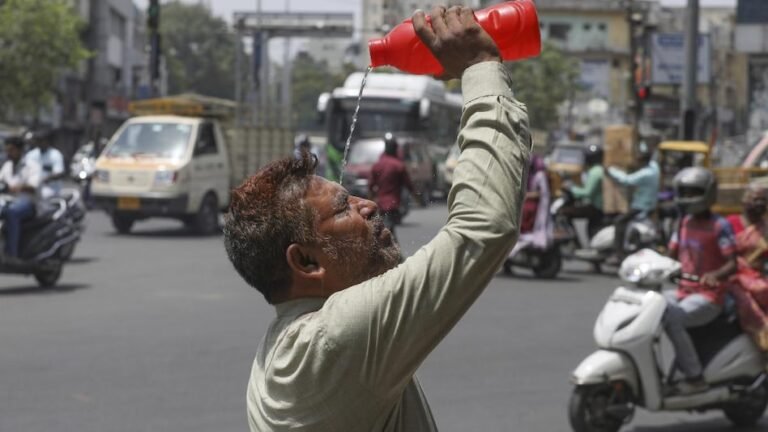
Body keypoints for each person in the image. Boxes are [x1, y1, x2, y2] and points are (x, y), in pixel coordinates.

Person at [223, 6, 531, 430]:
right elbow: (483, 226)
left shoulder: (287, 345)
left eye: (354, 197)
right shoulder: (337, 338)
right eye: (342, 209)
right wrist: (479, 67)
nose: (367, 206)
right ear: (307, 262)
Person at [665, 167, 737, 394]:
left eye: (692, 192)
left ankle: (695, 377)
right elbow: (672, 254)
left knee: (672, 319)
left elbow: (732, 262)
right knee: (649, 306)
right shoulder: (683, 222)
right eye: (684, 192)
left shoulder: (719, 226)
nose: (687, 197)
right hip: (683, 291)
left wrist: (715, 275)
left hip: (709, 297)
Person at [726, 185, 768, 349]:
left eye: (761, 200)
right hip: (735, 275)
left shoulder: (765, 228)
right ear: (744, 201)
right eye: (753, 198)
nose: (756, 203)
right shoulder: (730, 223)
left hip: (758, 276)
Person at [605, 140, 660, 263]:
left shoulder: (646, 173)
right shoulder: (654, 168)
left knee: (619, 222)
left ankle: (618, 253)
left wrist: (611, 170)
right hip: (648, 205)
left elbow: (626, 180)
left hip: (641, 206)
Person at [368, 132, 420, 241]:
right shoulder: (399, 166)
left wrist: (371, 201)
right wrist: (417, 198)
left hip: (380, 204)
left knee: (385, 230)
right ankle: (394, 255)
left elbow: (371, 186)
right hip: (393, 204)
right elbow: (409, 185)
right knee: (388, 231)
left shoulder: (378, 165)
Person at [0, 136, 41, 260]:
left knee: (11, 213)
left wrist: (17, 187)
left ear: (19, 150)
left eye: (11, 150)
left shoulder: (32, 165)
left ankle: (12, 254)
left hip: (27, 202)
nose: (8, 153)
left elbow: (33, 186)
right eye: (7, 150)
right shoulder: (7, 166)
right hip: (7, 200)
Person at [561, 144, 604, 239]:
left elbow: (587, 192)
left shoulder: (595, 172)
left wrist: (571, 188)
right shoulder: (597, 170)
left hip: (597, 207)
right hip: (596, 206)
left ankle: (573, 238)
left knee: (564, 212)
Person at [23, 129, 65, 199]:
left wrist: (44, 179)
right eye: (38, 140)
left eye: (42, 140)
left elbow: (59, 173)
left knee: (43, 195)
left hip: (50, 188)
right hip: (32, 187)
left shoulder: (55, 155)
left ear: (47, 141)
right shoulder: (31, 155)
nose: (40, 142)